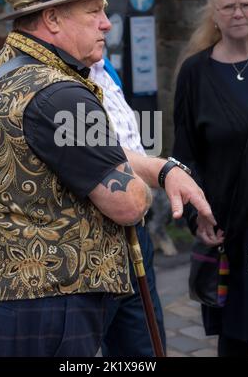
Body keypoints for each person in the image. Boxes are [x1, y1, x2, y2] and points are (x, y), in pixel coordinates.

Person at [0, 0, 215, 357]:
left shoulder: (3, 72)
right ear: (53, 18)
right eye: (94, 10)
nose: (106, 22)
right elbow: (128, 204)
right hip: (49, 306)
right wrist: (145, 180)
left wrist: (163, 167)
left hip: (8, 301)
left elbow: (85, 149)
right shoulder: (57, 92)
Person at [173, 0, 248, 357]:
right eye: (229, 6)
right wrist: (197, 216)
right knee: (235, 336)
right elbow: (185, 154)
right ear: (215, 15)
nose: (239, 13)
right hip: (228, 226)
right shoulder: (195, 73)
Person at [89, 58, 166, 356]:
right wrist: (164, 171)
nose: (106, 24)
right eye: (93, 11)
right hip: (95, 235)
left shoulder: (105, 67)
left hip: (136, 231)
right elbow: (96, 148)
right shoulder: (58, 78)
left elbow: (125, 144)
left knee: (145, 342)